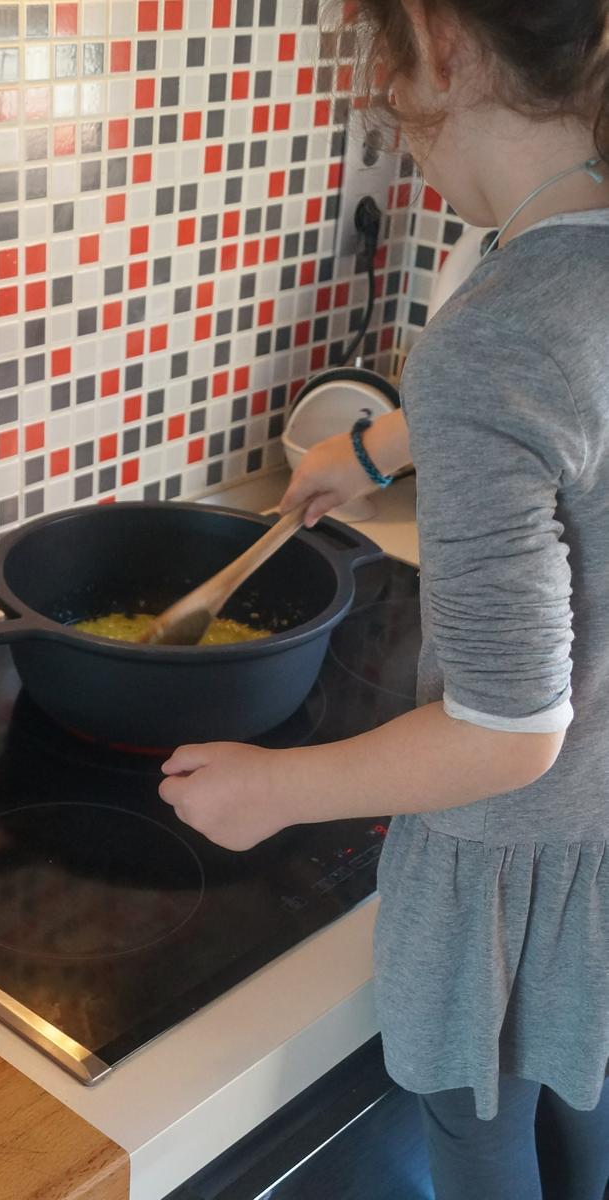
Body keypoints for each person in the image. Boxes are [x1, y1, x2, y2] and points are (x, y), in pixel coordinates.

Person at [157, 2, 609, 1197]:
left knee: (480, 1137)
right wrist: (380, 447)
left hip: (509, 865)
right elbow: (571, 403)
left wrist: (271, 790)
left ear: (439, 43)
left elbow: (507, 734)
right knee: (588, 1104)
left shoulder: (494, 336)